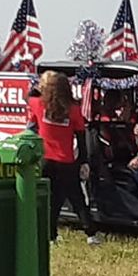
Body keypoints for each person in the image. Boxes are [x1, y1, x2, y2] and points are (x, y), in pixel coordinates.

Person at [28, 70, 100, 245]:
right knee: (76, 198)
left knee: (50, 200)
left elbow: (30, 95)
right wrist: (83, 161)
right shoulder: (74, 110)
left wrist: (40, 88)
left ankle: (51, 235)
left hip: (46, 160)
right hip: (66, 160)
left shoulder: (37, 104)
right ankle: (91, 234)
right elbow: (82, 138)